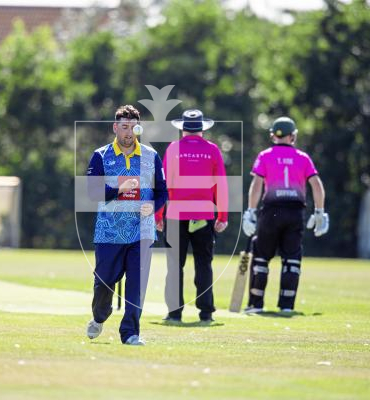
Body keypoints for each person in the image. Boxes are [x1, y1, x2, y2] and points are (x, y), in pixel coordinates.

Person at [86, 105, 167, 346]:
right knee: (103, 283)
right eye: (124, 127)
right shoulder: (101, 155)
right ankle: (100, 316)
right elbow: (91, 191)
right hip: (109, 231)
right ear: (115, 127)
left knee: (136, 284)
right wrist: (118, 190)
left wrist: (152, 206)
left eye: (133, 127)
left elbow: (162, 192)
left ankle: (130, 332)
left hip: (142, 231)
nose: (128, 132)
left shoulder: (152, 156)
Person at [242, 116, 328, 313]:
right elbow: (316, 185)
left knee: (262, 257)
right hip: (295, 212)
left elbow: (256, 186)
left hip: (271, 211)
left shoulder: (265, 155)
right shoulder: (303, 157)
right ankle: (287, 306)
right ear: (293, 136)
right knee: (291, 259)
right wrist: (320, 211)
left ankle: (256, 304)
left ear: (273, 135)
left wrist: (251, 211)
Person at [156, 109, 229, 323]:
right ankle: (206, 312)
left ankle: (174, 313)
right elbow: (221, 185)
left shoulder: (173, 149)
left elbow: (163, 184)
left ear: (182, 129)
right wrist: (222, 215)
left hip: (176, 215)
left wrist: (158, 215)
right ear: (202, 130)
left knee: (174, 265)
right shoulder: (213, 150)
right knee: (203, 263)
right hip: (203, 216)